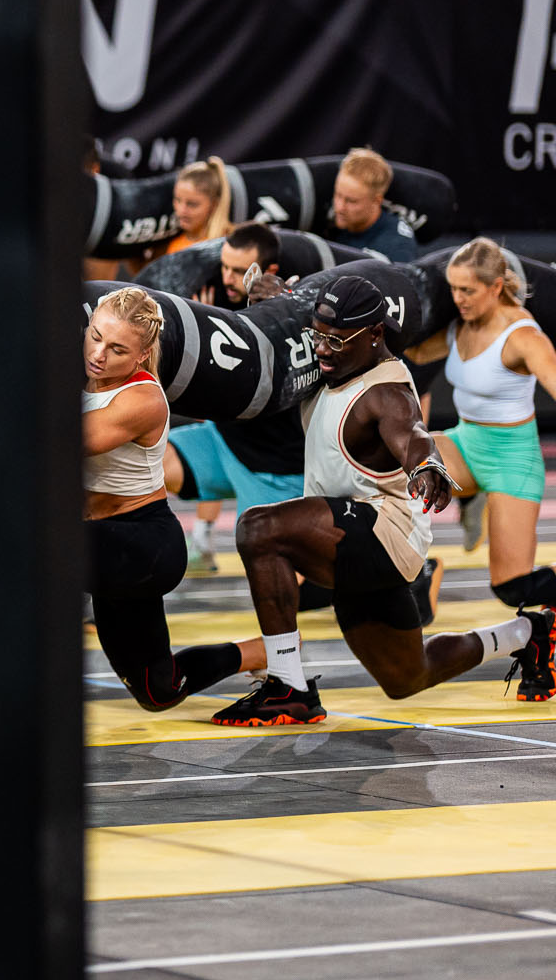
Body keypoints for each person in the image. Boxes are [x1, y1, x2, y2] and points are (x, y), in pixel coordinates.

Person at [210, 274, 552, 725]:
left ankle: (288, 685)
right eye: (317, 336)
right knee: (408, 677)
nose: (322, 349)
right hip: (349, 533)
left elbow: (412, 433)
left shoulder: (385, 392)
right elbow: (305, 314)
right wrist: (277, 300)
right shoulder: (337, 350)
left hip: (382, 536)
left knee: (259, 528)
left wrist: (427, 466)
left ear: (375, 334)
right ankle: (527, 631)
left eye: (337, 341)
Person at [84, 289, 258, 708]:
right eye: (95, 336)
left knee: (36, 566)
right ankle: (259, 652)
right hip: (102, 541)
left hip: (144, 545)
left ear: (142, 355)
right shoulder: (81, 366)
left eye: (117, 349)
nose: (99, 355)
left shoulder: (142, 399)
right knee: (159, 691)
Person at [406, 240, 556, 634]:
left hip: (512, 460)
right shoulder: (460, 325)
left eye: (467, 290)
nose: (458, 299)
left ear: (496, 286)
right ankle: (421, 570)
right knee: (394, 465)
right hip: (465, 444)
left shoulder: (523, 336)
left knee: (512, 588)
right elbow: (416, 354)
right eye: (454, 289)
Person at [167, 221, 305, 573]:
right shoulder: (212, 293)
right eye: (224, 266)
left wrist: (201, 341)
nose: (227, 277)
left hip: (272, 468)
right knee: (137, 462)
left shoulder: (292, 318)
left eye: (238, 271)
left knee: (280, 584)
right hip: (223, 443)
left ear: (268, 271)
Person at [322, 147, 418, 262]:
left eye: (351, 201)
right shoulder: (325, 211)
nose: (339, 207)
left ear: (376, 201)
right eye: (338, 194)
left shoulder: (396, 248)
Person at [152, 157, 231, 259]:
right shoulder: (166, 240)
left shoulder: (228, 243)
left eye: (192, 204)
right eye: (177, 200)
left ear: (214, 204)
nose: (181, 210)